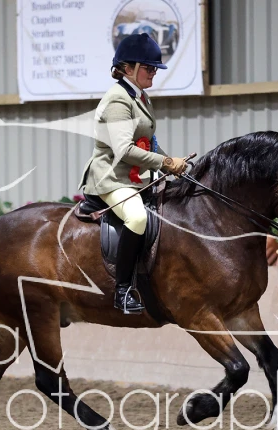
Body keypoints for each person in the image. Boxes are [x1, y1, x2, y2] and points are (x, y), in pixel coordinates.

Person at [79, 33, 189, 315]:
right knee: (137, 217)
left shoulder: (139, 96)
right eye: (148, 68)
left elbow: (147, 143)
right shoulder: (118, 100)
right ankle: (123, 290)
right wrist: (166, 162)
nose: (154, 73)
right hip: (112, 178)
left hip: (136, 178)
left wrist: (172, 165)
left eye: (155, 68)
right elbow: (124, 150)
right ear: (128, 68)